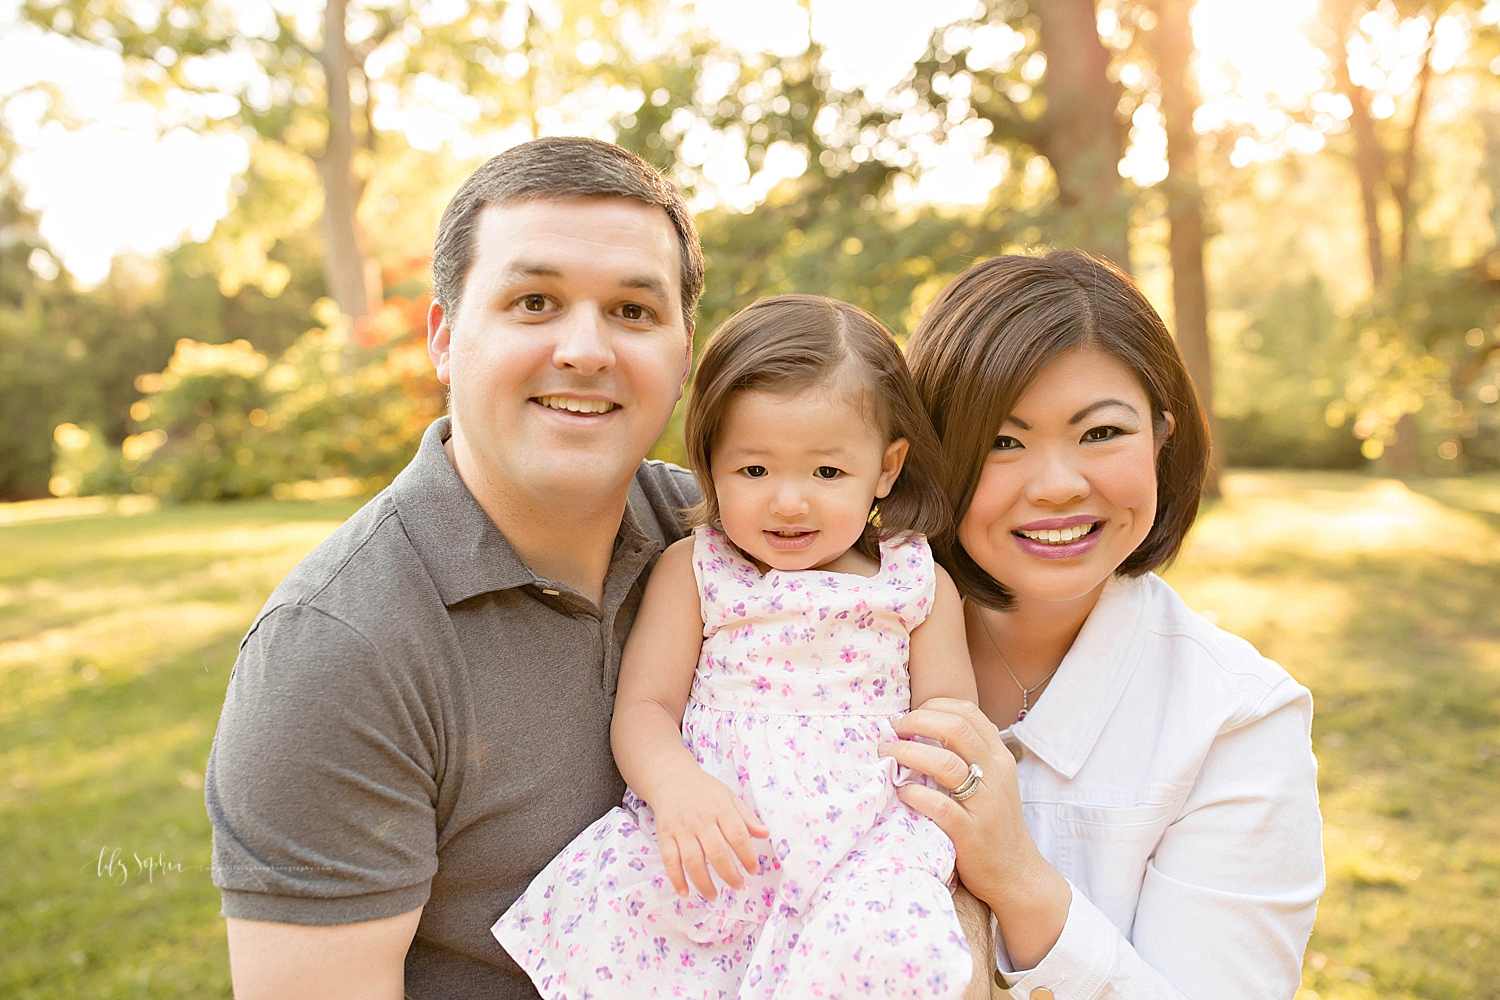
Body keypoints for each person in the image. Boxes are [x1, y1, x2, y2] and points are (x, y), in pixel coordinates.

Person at [204, 136, 706, 1000]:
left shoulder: (735, 541)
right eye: (534, 301)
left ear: (683, 350)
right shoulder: (337, 651)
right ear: (444, 337)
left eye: (633, 311)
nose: (586, 350)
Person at [493, 294, 982, 998]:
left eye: (827, 473)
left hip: (865, 844)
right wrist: (677, 788)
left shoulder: (916, 581)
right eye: (754, 471)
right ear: (711, 464)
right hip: (722, 829)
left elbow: (950, 723)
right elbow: (645, 709)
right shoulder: (697, 571)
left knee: (878, 954)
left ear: (886, 467)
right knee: (654, 937)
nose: (789, 503)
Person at [883, 251, 1325, 999]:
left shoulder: (1235, 719)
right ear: (927, 454)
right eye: (1002, 441)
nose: (1058, 486)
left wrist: (1019, 881)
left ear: (1161, 437)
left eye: (1100, 433)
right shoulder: (810, 640)